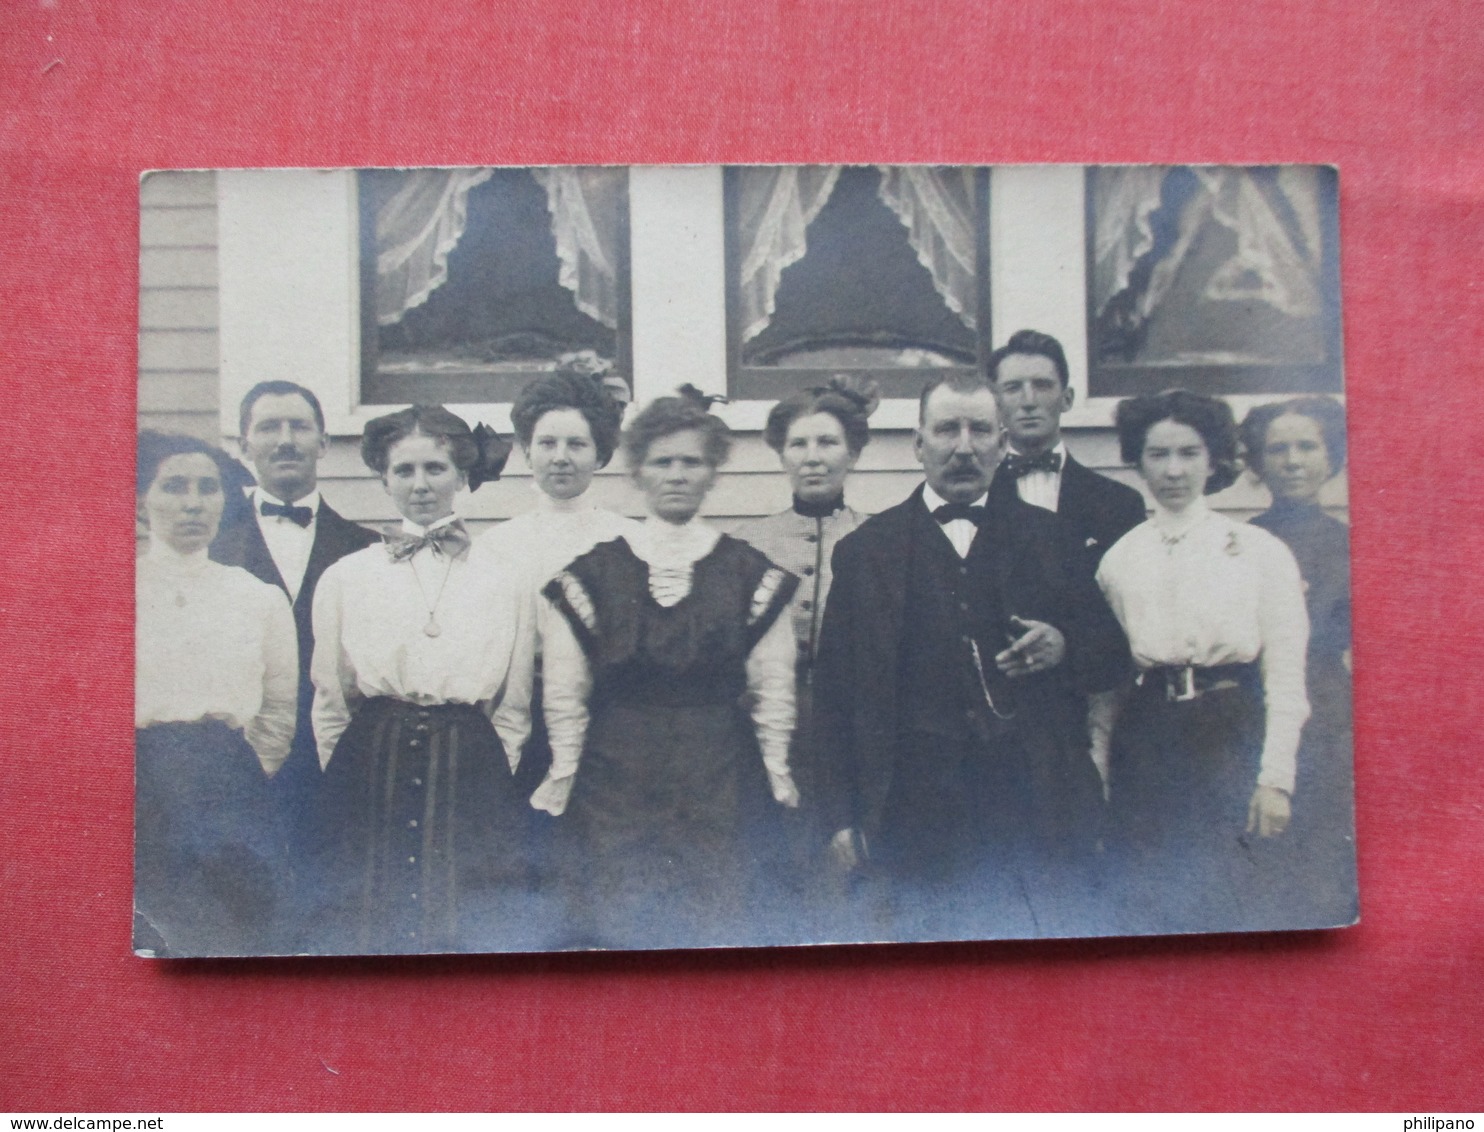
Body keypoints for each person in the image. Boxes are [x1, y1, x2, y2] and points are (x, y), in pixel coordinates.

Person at [812, 374, 1131, 941]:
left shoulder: (1054, 539)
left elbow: (1111, 658)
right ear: (918, 444)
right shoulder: (865, 552)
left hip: (1033, 800)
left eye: (980, 429)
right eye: (947, 429)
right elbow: (834, 695)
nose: (964, 447)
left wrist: (1064, 645)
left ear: (1003, 440)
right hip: (913, 805)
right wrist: (840, 816)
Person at [530, 386, 802, 949]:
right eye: (662, 462)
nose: (677, 474)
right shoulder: (594, 573)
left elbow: (774, 687)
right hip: (615, 777)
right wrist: (565, 771)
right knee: (620, 922)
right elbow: (565, 690)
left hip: (718, 774)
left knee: (714, 921)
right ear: (637, 472)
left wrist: (775, 768)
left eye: (692, 462)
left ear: (712, 473)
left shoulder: (749, 571)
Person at [309, 405, 536, 954]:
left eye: (435, 469)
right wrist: (347, 771)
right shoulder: (347, 577)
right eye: (404, 470)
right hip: (371, 758)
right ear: (383, 478)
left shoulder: (505, 580)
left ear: (461, 476)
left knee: (462, 914)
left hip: (470, 764)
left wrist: (488, 769)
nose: (420, 485)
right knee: (370, 915)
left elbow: (512, 705)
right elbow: (332, 698)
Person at [1096, 389, 1310, 934]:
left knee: (1229, 894)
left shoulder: (1257, 550)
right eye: (1157, 455)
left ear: (1213, 458)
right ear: (1138, 461)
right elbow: (1110, 684)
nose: (1173, 470)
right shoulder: (1120, 560)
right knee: (1149, 895)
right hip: (1148, 735)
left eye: (1188, 453)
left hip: (1229, 729)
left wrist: (1274, 779)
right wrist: (1099, 768)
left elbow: (1285, 675)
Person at [473, 368, 640, 902]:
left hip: (605, 724)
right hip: (519, 722)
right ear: (526, 451)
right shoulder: (496, 546)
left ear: (601, 454)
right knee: (528, 870)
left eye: (577, 443)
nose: (561, 457)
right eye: (546, 443)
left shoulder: (629, 540)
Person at [135, 430, 298, 955]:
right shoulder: (117, 589)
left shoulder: (256, 598)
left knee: (235, 928)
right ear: (141, 499)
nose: (192, 503)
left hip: (229, 783)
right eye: (174, 486)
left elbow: (277, 709)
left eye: (207, 488)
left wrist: (247, 769)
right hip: (139, 780)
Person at [210, 381, 377, 882]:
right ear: (244, 447)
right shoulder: (212, 550)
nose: (285, 440)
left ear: (323, 443)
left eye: (299, 427)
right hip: (238, 770)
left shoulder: (368, 552)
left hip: (341, 769)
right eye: (268, 428)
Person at [733, 376, 875, 929]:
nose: (812, 459)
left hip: (853, 727)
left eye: (828, 443)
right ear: (780, 454)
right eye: (798, 444)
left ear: (855, 452)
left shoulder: (880, 538)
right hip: (769, 725)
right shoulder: (747, 543)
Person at [987, 329, 1148, 791]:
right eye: (1012, 388)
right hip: (995, 713)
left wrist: (1067, 644)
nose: (1028, 400)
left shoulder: (1118, 505)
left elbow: (1128, 623)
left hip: (1083, 713)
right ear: (994, 401)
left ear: (1068, 397)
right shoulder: (968, 499)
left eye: (1043, 385)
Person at [1241, 395, 1357, 923]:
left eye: (1307, 447)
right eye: (1278, 449)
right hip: (1247, 712)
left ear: (1331, 456)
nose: (1292, 462)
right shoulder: (1240, 544)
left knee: (1319, 860)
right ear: (1257, 462)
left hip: (1326, 712)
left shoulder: (1351, 546)